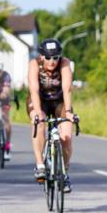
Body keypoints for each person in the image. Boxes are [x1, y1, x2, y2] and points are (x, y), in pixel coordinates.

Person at [27, 38, 76, 190]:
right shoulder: (34, 64)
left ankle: (64, 173)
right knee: (39, 122)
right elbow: (34, 90)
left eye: (55, 57)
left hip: (59, 102)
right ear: (42, 56)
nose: (52, 61)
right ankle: (40, 164)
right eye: (48, 57)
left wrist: (68, 112)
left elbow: (67, 89)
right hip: (39, 100)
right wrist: (38, 113)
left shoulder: (65, 63)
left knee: (66, 136)